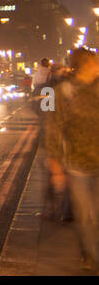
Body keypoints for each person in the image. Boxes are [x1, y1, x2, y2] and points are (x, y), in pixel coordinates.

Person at [56, 49, 99, 271]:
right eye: (95, 64)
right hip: (77, 163)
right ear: (84, 66)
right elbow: (53, 125)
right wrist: (54, 164)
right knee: (85, 215)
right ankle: (90, 254)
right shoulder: (62, 90)